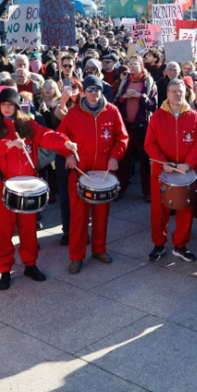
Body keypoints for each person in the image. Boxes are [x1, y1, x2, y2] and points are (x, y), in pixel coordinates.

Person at [0, 87, 75, 290]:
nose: (7, 108)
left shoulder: (28, 124)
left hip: (28, 182)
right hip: (4, 184)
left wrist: (65, 142)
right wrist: (8, 144)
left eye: (11, 105)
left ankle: (30, 264)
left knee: (28, 228)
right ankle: (5, 270)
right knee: (3, 230)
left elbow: (47, 135)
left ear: (17, 107)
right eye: (4, 105)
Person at [57, 75, 128, 274]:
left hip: (103, 169)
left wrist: (115, 157)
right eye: (89, 89)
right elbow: (60, 137)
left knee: (101, 213)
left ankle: (99, 249)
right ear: (84, 91)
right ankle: (76, 256)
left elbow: (122, 138)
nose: (94, 93)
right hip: (80, 168)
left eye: (97, 89)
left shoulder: (112, 111)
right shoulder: (74, 113)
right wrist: (68, 154)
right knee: (78, 216)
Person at [145, 79, 197, 263]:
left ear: (186, 93)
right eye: (173, 91)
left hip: (186, 173)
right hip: (161, 171)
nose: (177, 94)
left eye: (180, 91)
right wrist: (163, 163)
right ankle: (158, 244)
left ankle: (180, 245)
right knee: (159, 211)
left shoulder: (194, 116)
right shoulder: (157, 116)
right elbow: (149, 143)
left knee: (186, 211)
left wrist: (189, 164)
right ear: (167, 93)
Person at [113, 55, 157, 201]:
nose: (132, 66)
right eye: (130, 64)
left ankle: (148, 191)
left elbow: (153, 106)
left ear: (141, 66)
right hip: (126, 127)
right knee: (123, 160)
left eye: (135, 64)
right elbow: (116, 104)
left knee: (145, 161)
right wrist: (123, 97)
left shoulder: (149, 82)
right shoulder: (124, 82)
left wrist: (140, 96)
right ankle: (120, 189)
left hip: (142, 127)